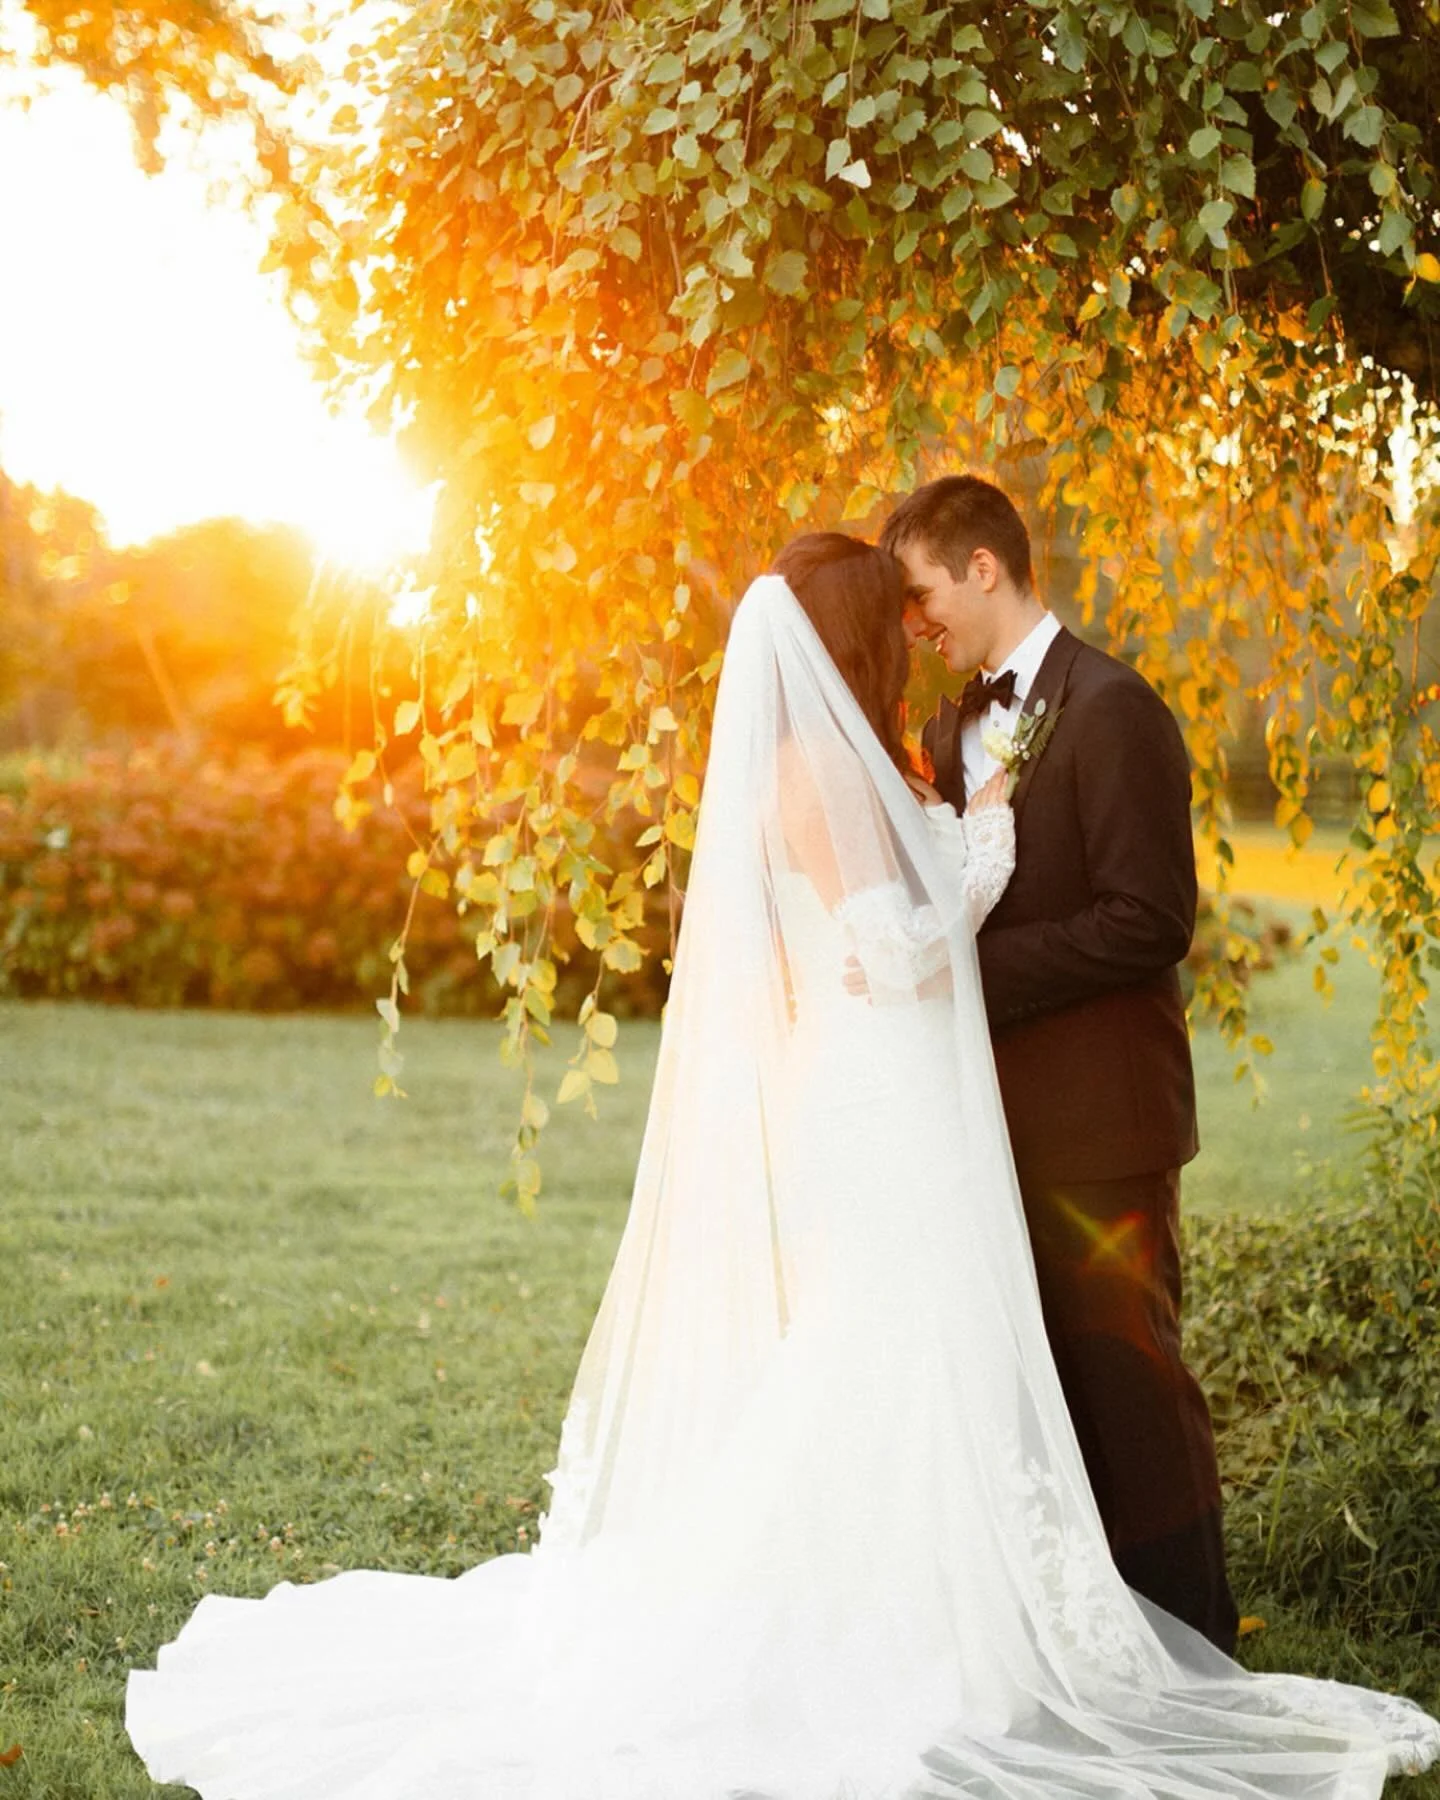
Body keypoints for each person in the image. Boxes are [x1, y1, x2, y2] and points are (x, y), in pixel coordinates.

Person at [127, 534, 1438, 1799]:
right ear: (858, 636)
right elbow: (899, 957)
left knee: (929, 1356)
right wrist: (984, 840)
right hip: (881, 1109)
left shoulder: (866, 754)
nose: (918, 639)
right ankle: (895, 1646)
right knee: (899, 1351)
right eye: (898, 619)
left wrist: (962, 827)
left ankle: (956, 1621)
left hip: (899, 1099)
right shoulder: (816, 769)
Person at [880, 474, 1237, 1652]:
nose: (916, 625)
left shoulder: (1116, 707)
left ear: (985, 568)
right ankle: (1100, 1654)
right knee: (1039, 1404)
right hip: (985, 1135)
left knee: (1131, 1389)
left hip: (1104, 1127)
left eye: (924, 595)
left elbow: (1151, 919)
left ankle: (1199, 1650)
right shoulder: (946, 731)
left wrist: (957, 975)